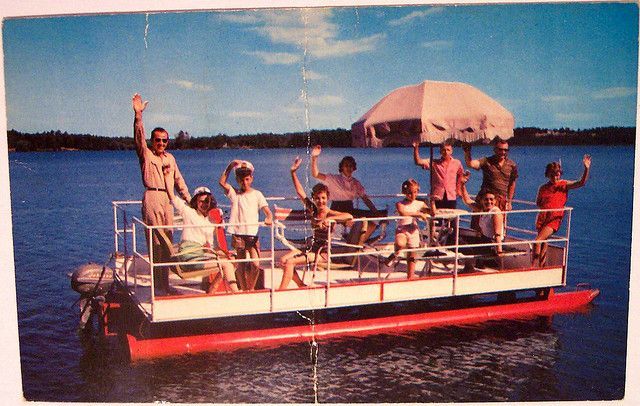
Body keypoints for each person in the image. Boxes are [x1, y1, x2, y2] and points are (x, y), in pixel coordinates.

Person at [132, 93, 191, 295]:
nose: (161, 143)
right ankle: (158, 286)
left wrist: (190, 200)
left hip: (168, 200)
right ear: (152, 141)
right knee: (155, 242)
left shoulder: (170, 159)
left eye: (164, 141)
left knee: (168, 242)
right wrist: (138, 116)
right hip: (152, 197)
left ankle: (165, 284)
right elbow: (138, 139)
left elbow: (179, 181)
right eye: (157, 140)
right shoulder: (146, 155)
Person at [279, 157, 353, 290]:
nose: (320, 201)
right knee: (283, 261)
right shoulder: (313, 209)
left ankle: (280, 292)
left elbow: (349, 216)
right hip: (311, 248)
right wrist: (293, 172)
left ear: (328, 198)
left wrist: (329, 220)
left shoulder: (329, 213)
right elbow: (300, 192)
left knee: (290, 262)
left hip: (322, 253)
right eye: (317, 198)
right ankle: (301, 285)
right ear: (314, 199)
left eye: (323, 198)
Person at [163, 174, 239, 294]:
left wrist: (225, 254)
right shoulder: (189, 212)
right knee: (227, 264)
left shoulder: (210, 221)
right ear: (195, 202)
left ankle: (212, 290)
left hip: (199, 255)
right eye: (201, 201)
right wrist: (168, 177)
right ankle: (237, 293)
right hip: (188, 258)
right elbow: (172, 196)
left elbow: (212, 247)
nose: (204, 204)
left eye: (207, 201)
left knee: (232, 261)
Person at [219, 159, 273, 291]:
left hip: (252, 235)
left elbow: (267, 212)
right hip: (238, 234)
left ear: (251, 178)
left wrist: (269, 218)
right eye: (241, 180)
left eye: (247, 179)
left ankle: (250, 288)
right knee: (241, 264)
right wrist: (230, 166)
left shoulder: (257, 194)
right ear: (237, 180)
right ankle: (244, 290)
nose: (244, 182)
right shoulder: (235, 194)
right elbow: (222, 182)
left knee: (255, 264)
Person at [310, 145, 378, 245]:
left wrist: (375, 211)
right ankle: (355, 245)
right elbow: (315, 174)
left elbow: (365, 199)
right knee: (358, 223)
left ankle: (358, 243)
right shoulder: (334, 179)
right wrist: (314, 158)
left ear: (354, 168)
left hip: (350, 209)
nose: (348, 168)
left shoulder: (355, 183)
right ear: (342, 167)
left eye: (351, 166)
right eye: (346, 165)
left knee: (373, 223)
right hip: (337, 210)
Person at [532, 155, 591, 267]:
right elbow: (538, 202)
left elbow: (581, 183)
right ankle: (541, 267)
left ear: (560, 174)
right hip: (543, 218)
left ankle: (533, 267)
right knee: (544, 242)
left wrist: (586, 169)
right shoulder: (543, 188)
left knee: (538, 241)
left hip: (554, 219)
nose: (555, 177)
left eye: (557, 174)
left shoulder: (563, 185)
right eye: (552, 174)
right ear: (548, 174)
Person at [388, 179, 431, 279]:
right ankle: (393, 255)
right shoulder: (400, 204)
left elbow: (431, 212)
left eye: (415, 192)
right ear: (404, 192)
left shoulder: (420, 203)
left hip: (413, 230)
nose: (412, 195)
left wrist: (432, 202)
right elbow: (403, 213)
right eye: (409, 193)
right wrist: (418, 214)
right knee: (400, 244)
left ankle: (410, 276)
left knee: (412, 255)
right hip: (402, 229)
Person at [463, 139, 518, 211]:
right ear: (495, 149)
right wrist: (467, 151)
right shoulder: (486, 161)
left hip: (501, 201)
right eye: (500, 149)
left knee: (499, 218)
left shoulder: (512, 165)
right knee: (479, 218)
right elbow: (470, 164)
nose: (503, 152)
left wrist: (509, 201)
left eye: (506, 150)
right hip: (485, 200)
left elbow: (512, 184)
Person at [459, 173, 504, 256]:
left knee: (464, 247)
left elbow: (497, 234)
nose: (489, 202)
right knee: (459, 240)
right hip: (484, 239)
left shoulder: (495, 213)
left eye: (491, 199)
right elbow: (467, 201)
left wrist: (499, 252)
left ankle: (470, 263)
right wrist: (462, 185)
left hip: (491, 244)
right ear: (482, 200)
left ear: (495, 201)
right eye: (486, 199)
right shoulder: (482, 209)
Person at [412, 140, 464, 209]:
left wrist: (458, 188)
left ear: (451, 151)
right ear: (440, 151)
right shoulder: (434, 162)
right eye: (443, 150)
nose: (446, 152)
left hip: (451, 195)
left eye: (448, 150)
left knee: (451, 214)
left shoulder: (457, 163)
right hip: (437, 195)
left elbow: (460, 175)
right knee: (437, 215)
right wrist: (416, 148)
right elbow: (418, 162)